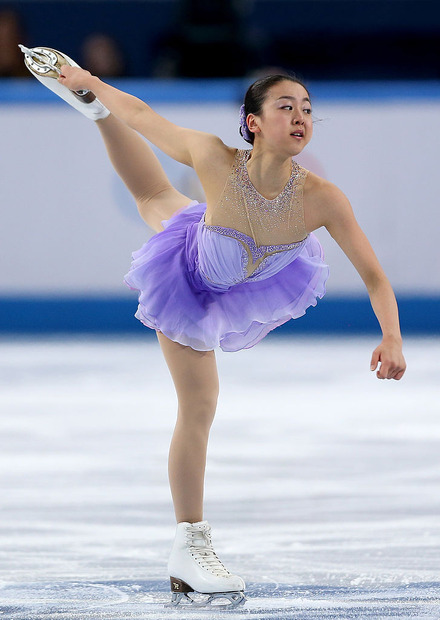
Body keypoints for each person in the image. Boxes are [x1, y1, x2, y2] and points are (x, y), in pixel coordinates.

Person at [20, 45, 406, 608]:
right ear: (253, 123)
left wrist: (392, 336)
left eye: (306, 108)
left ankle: (92, 112)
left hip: (238, 267)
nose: (300, 117)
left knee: (160, 200)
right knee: (198, 405)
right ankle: (189, 543)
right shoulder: (212, 157)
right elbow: (146, 118)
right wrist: (93, 83)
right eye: (284, 107)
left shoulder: (323, 200)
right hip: (189, 277)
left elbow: (374, 276)